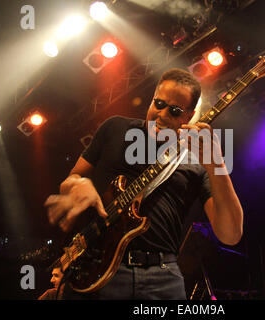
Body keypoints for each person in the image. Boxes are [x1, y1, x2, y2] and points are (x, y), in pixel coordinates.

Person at [44, 68, 243, 299]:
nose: (162, 114)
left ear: (188, 116)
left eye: (175, 110)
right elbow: (70, 180)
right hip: (93, 268)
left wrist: (216, 163)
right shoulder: (115, 128)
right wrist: (77, 185)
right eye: (158, 103)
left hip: (161, 277)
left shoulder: (199, 157)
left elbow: (231, 235)